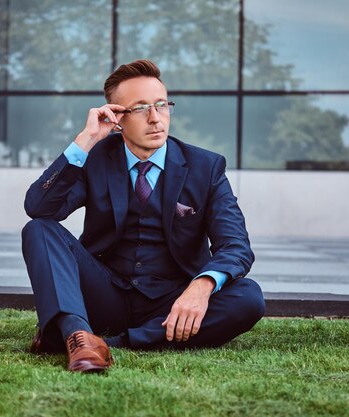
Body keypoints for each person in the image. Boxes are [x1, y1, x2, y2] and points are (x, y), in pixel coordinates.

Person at [21, 59, 264, 373]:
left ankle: (105, 342)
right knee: (39, 229)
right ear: (117, 117)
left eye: (162, 106)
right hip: (104, 295)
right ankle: (77, 334)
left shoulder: (206, 167)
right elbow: (39, 208)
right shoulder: (95, 158)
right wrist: (86, 140)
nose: (156, 118)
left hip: (172, 303)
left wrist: (201, 286)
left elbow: (236, 247)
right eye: (140, 108)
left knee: (249, 297)